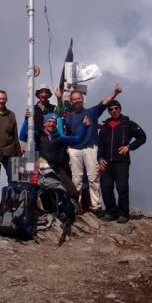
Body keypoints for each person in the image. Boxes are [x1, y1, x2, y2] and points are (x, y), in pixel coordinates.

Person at [64, 83, 122, 216]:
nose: (77, 100)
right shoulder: (69, 118)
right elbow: (64, 132)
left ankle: (96, 206)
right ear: (71, 102)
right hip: (75, 149)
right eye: (75, 99)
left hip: (90, 147)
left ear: (82, 99)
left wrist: (115, 93)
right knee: (76, 180)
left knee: (93, 177)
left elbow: (105, 102)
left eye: (79, 98)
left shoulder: (91, 112)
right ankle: (75, 206)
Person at [19, 110, 90, 199]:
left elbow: (77, 139)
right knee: (36, 192)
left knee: (73, 194)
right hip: (40, 170)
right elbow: (22, 136)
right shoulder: (38, 135)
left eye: (54, 122)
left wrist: (85, 127)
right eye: (49, 121)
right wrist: (26, 120)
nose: (51, 124)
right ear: (44, 123)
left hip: (56, 169)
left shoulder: (60, 138)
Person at [97, 100, 146, 223]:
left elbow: (142, 136)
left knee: (122, 187)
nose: (114, 111)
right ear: (109, 112)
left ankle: (123, 214)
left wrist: (129, 147)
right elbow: (100, 145)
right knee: (106, 187)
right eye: (111, 109)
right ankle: (111, 212)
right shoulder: (105, 127)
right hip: (106, 162)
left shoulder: (128, 124)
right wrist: (100, 158)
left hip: (121, 162)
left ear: (120, 109)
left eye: (116, 108)